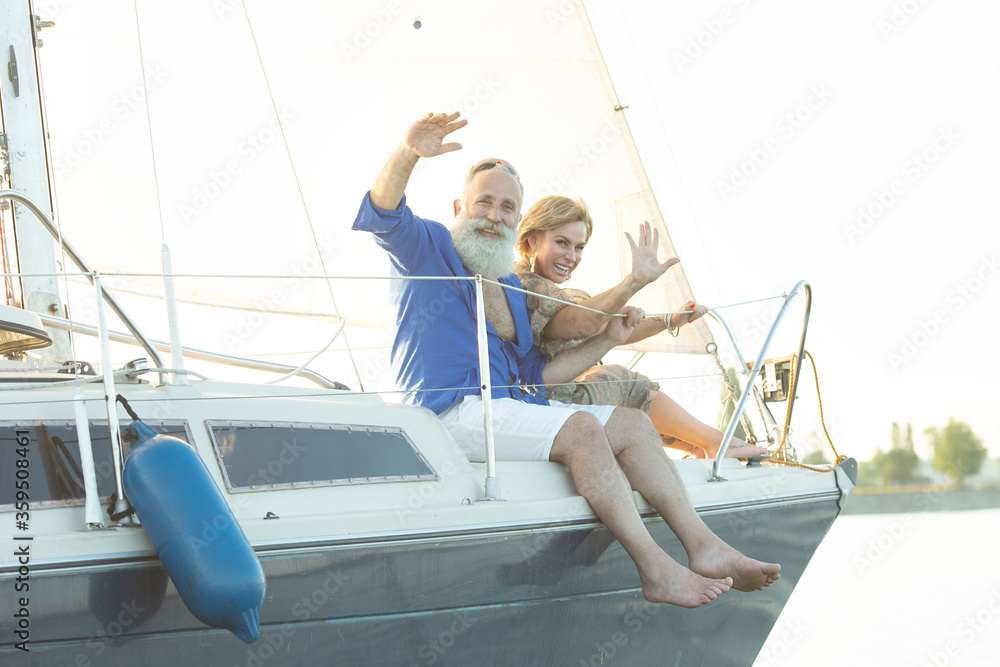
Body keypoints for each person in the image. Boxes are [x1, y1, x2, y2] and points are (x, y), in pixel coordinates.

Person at [352, 111, 779, 607]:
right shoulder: (427, 248)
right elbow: (382, 211)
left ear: (517, 220)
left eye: (507, 208)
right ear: (459, 207)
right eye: (484, 203)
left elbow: (537, 376)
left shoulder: (511, 289)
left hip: (505, 408)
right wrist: (408, 152)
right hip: (446, 411)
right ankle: (656, 569)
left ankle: (705, 548)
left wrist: (608, 341)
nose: (494, 216)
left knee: (631, 424)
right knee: (581, 428)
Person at [515, 194, 768, 460]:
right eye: (561, 243)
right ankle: (717, 443)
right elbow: (580, 324)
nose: (571, 256)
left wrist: (671, 320)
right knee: (623, 381)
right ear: (533, 240)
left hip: (549, 402)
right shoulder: (532, 288)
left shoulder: (539, 286)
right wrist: (634, 281)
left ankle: (696, 446)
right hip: (547, 408)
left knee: (609, 380)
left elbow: (605, 331)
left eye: (579, 247)